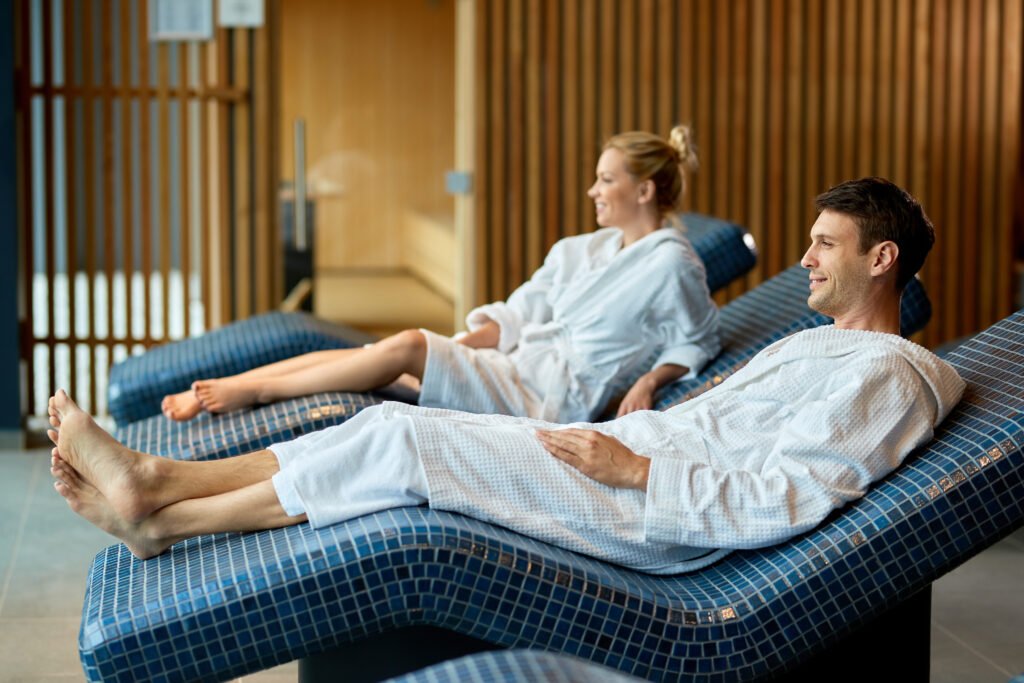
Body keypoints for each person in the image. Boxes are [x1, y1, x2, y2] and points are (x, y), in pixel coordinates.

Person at [47, 177, 965, 574]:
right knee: (379, 431)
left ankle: (160, 494)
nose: (804, 261)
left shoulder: (891, 373)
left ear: (882, 258)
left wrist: (644, 470)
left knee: (405, 438)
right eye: (807, 245)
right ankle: (161, 504)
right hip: (628, 458)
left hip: (649, 508)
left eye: (824, 246)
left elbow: (798, 489)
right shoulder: (821, 346)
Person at [160, 126, 719, 424]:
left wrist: (649, 380)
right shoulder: (585, 249)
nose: (594, 192)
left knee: (403, 346)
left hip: (551, 399)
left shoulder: (672, 262)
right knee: (381, 358)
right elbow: (519, 313)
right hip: (513, 367)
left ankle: (250, 389)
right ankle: (245, 383)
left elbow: (699, 337)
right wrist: (459, 348)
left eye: (606, 180)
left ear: (642, 191)